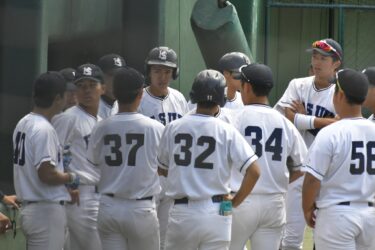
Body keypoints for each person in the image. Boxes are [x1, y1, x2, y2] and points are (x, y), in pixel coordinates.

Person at [157, 69, 261, 250]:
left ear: (194, 95)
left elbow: (162, 168)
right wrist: (234, 202)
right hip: (218, 210)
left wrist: (184, 176)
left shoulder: (173, 127)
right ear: (220, 97)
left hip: (182, 210)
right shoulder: (226, 129)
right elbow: (254, 171)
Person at [229, 64, 307, 250]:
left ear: (246, 87)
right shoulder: (284, 123)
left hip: (239, 199)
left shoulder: (233, 118)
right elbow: (302, 166)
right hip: (274, 203)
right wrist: (279, 182)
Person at [274, 38, 342, 250]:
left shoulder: (343, 89)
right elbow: (284, 118)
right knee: (292, 239)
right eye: (314, 56)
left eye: (323, 58)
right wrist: (324, 122)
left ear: (336, 64)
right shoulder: (298, 84)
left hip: (330, 174)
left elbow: (341, 127)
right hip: (300, 168)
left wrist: (302, 119)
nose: (317, 62)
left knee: (325, 239)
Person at [87, 67, 164, 250]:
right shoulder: (155, 128)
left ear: (115, 93)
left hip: (108, 206)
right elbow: (165, 167)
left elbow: (94, 163)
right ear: (140, 94)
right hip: (141, 208)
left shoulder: (100, 127)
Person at [302, 68, 375, 250]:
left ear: (340, 95)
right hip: (370, 215)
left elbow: (312, 179)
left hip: (337, 215)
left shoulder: (330, 132)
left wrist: (307, 208)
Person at [12, 71, 79, 250]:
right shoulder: (44, 129)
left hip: (33, 208)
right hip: (45, 211)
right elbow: (47, 174)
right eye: (65, 94)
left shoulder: (23, 122)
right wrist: (71, 177)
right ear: (58, 98)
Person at [52, 64, 104, 250]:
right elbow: (53, 155)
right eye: (82, 86)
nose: (87, 90)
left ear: (102, 88)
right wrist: (68, 184)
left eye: (92, 84)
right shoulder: (67, 117)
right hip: (80, 194)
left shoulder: (100, 121)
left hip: (98, 194)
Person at [97, 53, 126, 119]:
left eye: (121, 75)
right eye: (112, 75)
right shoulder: (92, 106)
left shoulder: (131, 105)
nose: (117, 79)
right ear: (101, 77)